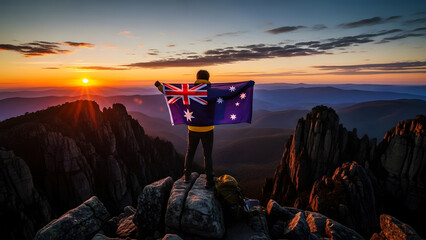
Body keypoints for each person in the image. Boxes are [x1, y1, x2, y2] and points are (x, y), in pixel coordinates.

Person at [155, 70, 215, 188]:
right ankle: (209, 181)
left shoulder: (189, 91)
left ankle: (187, 176)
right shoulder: (212, 91)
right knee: (207, 155)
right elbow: (230, 94)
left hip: (193, 129)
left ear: (197, 78)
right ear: (208, 78)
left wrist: (159, 86)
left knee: (190, 152)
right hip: (208, 129)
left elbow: (171, 92)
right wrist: (247, 86)